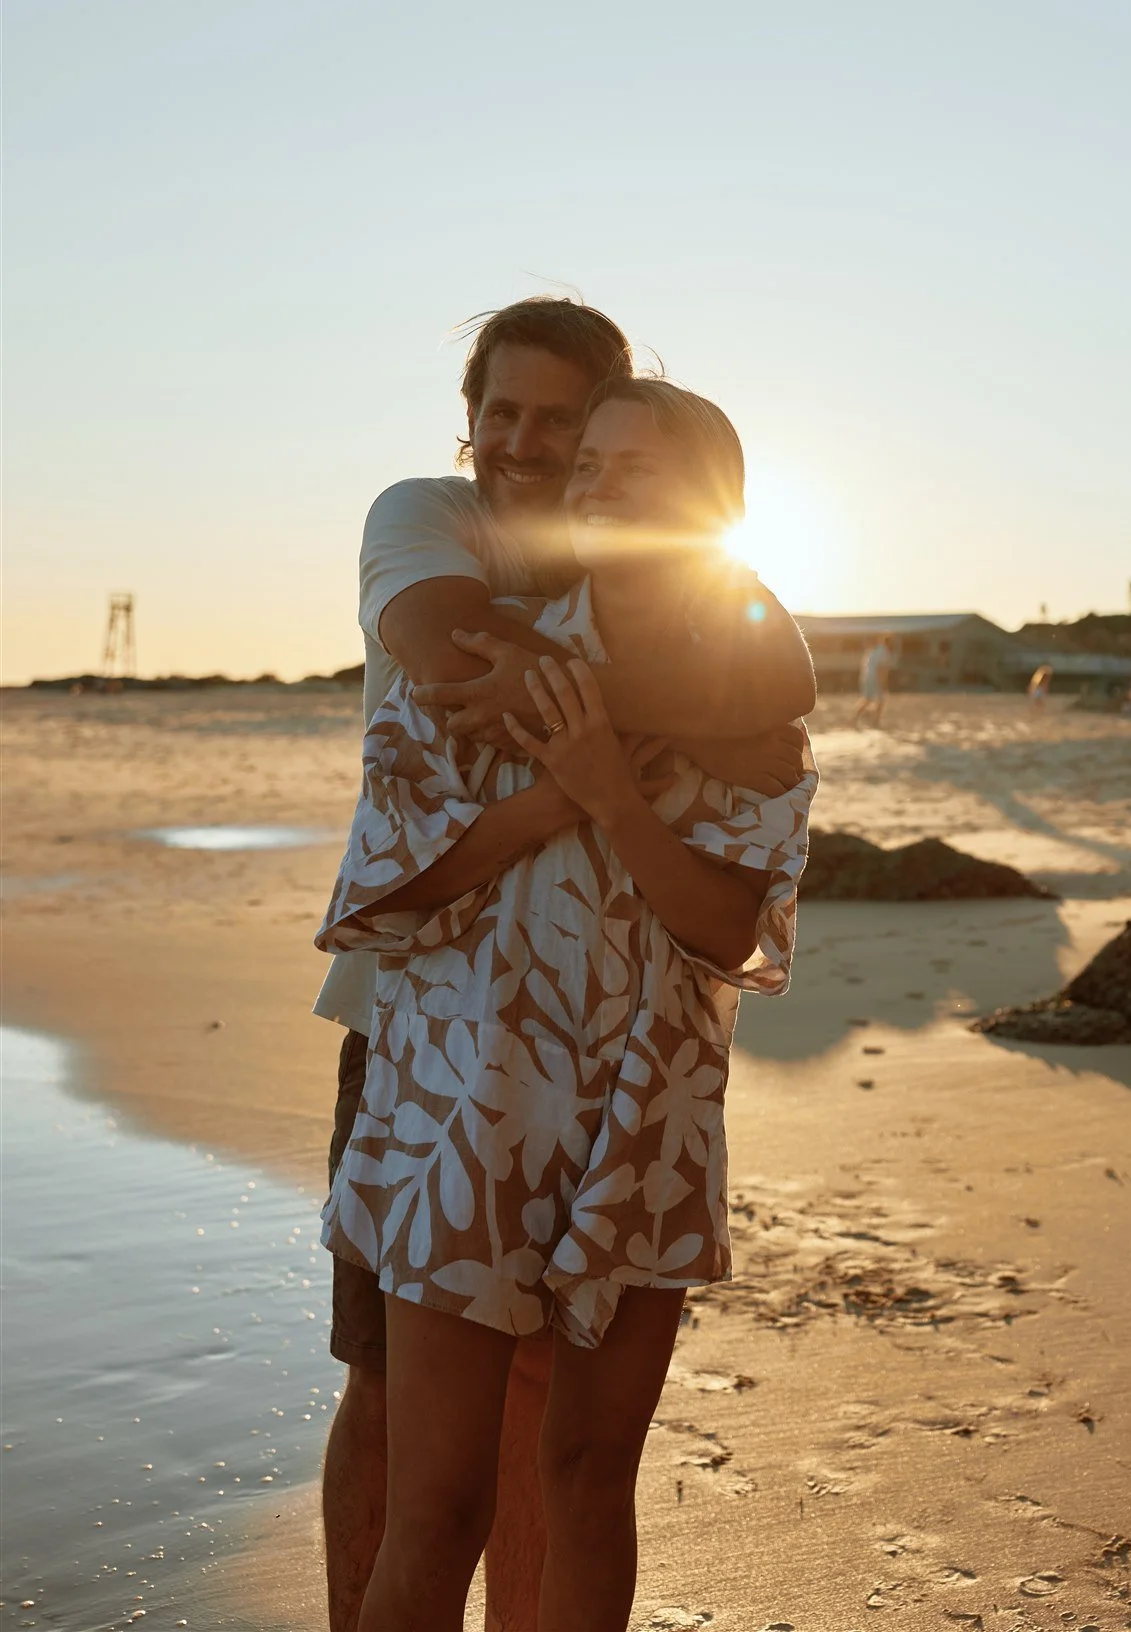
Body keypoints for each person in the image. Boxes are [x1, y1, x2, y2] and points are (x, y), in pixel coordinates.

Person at [317, 301, 816, 1632]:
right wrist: (581, 775)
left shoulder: (745, 661)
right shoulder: (448, 564)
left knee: (585, 1472)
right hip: (453, 1093)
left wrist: (614, 778)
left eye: (597, 447)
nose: (552, 459)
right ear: (470, 422)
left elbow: (731, 909)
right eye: (520, 423)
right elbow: (383, 883)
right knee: (423, 1475)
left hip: (643, 1110)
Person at [852, 632, 895, 727]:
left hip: (867, 677)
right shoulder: (883, 652)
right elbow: (880, 669)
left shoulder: (875, 650)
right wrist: (883, 684)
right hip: (874, 678)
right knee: (878, 700)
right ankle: (874, 721)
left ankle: (863, 718)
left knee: (870, 699)